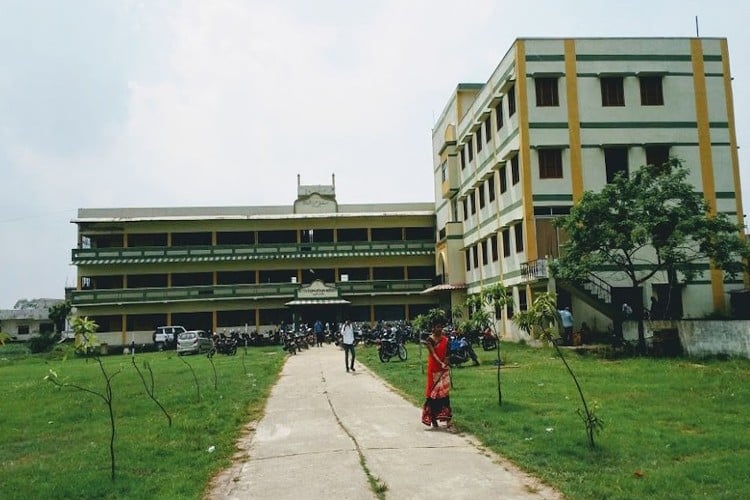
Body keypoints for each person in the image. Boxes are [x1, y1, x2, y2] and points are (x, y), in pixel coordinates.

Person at [422, 314, 454, 431]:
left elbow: (447, 353)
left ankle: (448, 420)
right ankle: (433, 419)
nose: (439, 329)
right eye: (437, 327)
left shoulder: (446, 339)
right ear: (433, 328)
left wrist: (445, 363)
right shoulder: (429, 340)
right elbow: (433, 353)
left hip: (443, 370)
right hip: (434, 370)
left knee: (445, 394)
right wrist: (440, 363)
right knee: (433, 395)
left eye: (441, 327)